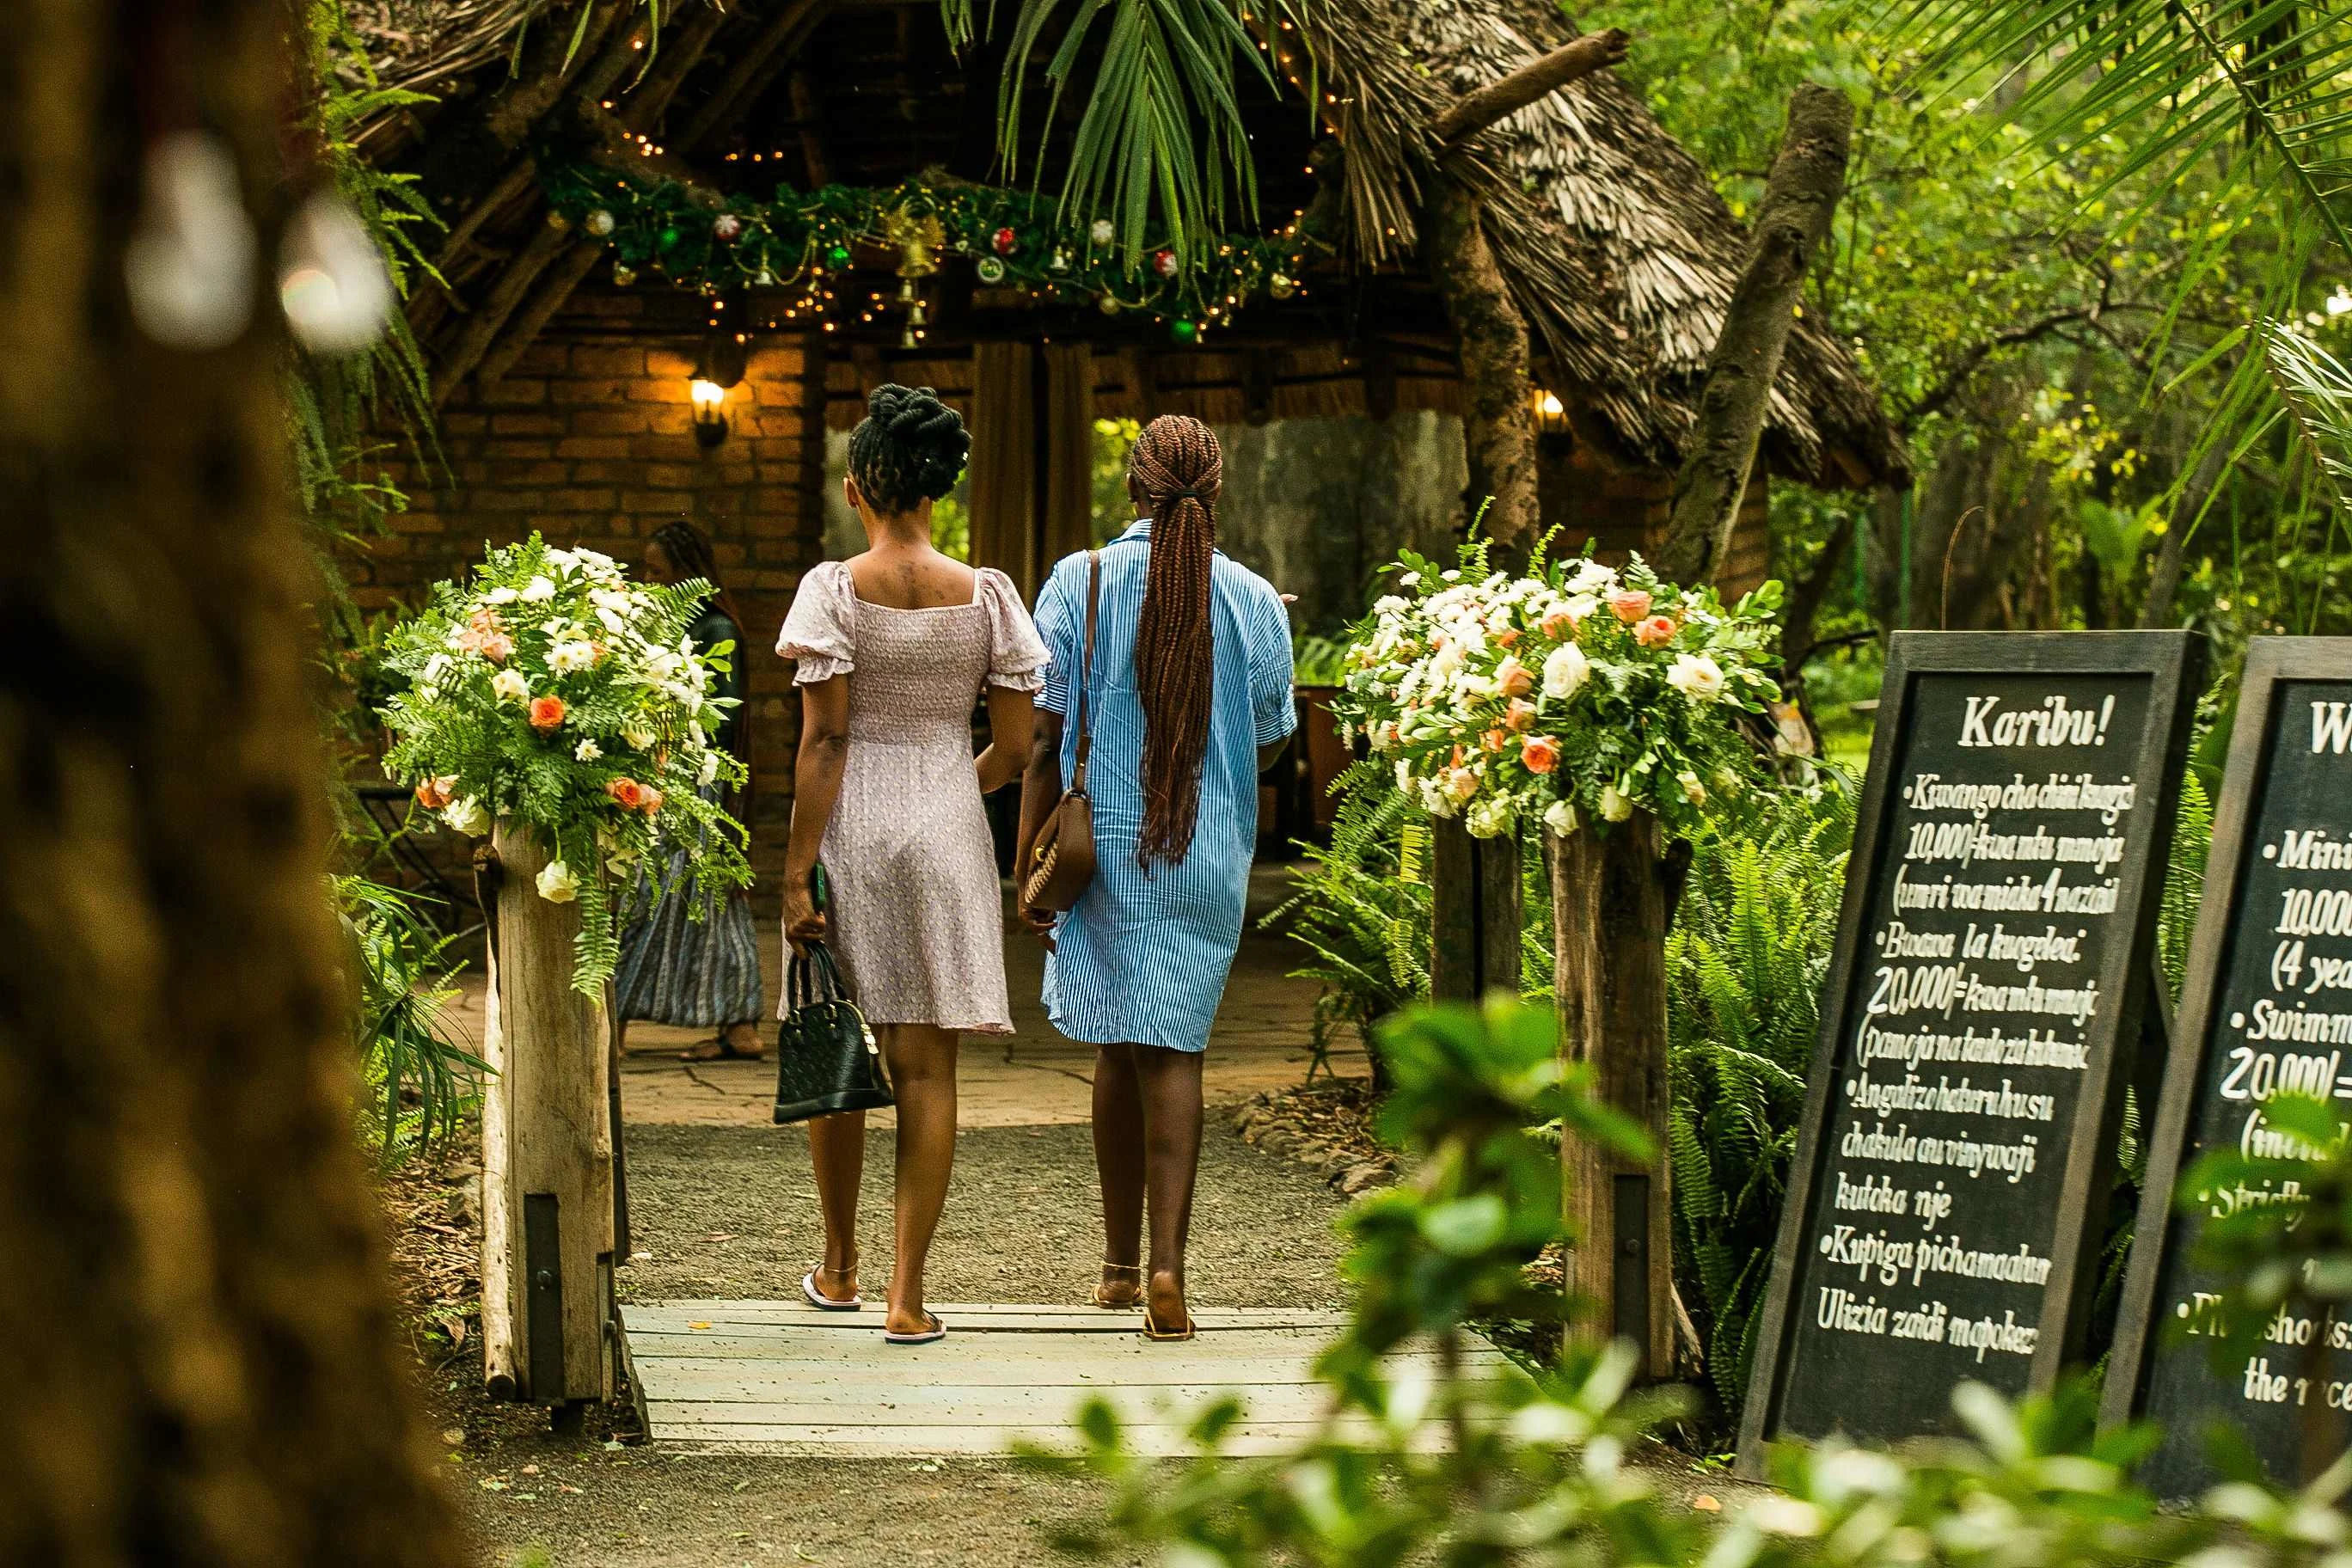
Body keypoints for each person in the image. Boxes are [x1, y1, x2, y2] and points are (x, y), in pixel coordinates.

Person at [775, 384, 1047, 1344]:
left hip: (848, 833)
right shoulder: (991, 597)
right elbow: (1014, 753)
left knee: (841, 1046)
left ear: (858, 487)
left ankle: (837, 1269)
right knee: (928, 1072)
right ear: (941, 489)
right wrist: (940, 796)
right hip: (947, 836)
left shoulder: (833, 590)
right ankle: (906, 1299)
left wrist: (797, 867)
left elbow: (826, 741)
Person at [1016, 413, 1296, 1342]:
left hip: (1102, 849)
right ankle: (1169, 1274)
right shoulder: (1255, 599)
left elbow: (1045, 736)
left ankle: (1118, 1265)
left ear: (1132, 488)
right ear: (1215, 493)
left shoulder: (1080, 579)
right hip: (1208, 849)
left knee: (1115, 1041)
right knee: (1174, 1046)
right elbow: (1272, 736)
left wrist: (1026, 862)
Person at [613, 519, 765, 1063]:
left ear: (687, 573)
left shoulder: (718, 629)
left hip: (695, 785)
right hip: (661, 779)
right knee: (669, 899)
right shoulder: (654, 624)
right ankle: (737, 1025)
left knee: (655, 898)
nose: (647, 581)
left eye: (658, 571)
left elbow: (719, 723)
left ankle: (617, 1027)